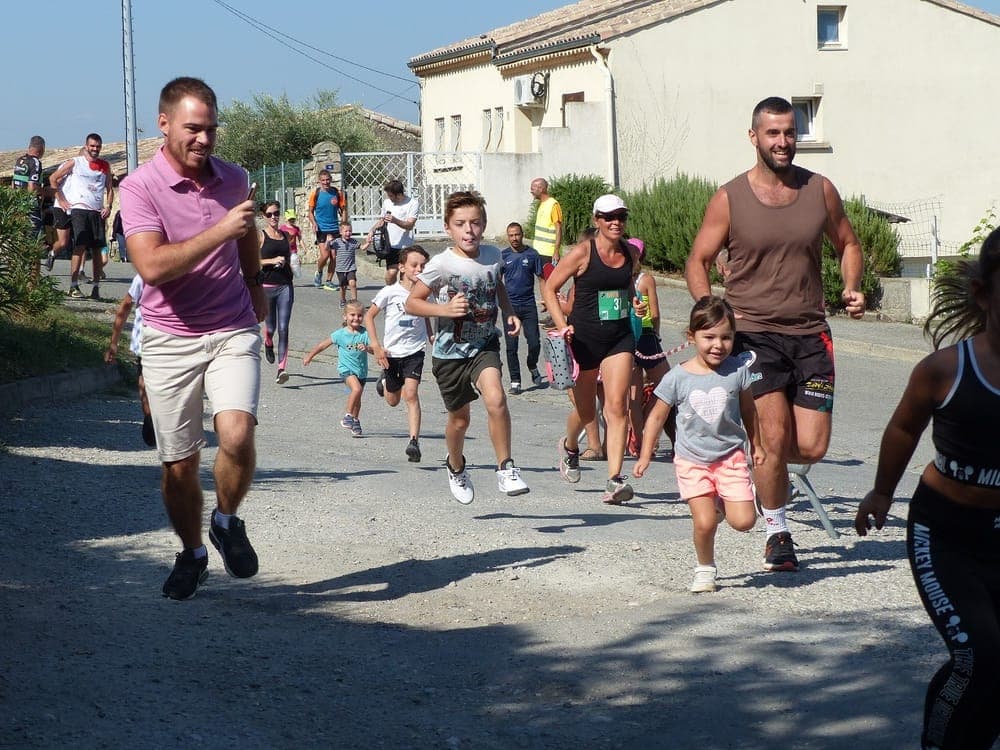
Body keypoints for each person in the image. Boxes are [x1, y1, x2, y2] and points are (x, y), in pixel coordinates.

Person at [685, 95, 865, 572]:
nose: (783, 142)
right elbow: (698, 259)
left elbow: (848, 242)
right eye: (773, 133)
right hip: (753, 335)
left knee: (812, 445)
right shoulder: (730, 197)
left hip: (810, 334)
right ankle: (778, 530)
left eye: (790, 132)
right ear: (754, 137)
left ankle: (751, 458)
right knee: (774, 432)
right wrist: (709, 313)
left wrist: (851, 286)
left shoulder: (820, 189)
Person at [120, 76, 267, 601]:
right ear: (163, 125)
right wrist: (220, 233)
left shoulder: (234, 178)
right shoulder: (138, 188)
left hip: (231, 327)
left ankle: (226, 522)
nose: (204, 140)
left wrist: (254, 283)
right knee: (179, 465)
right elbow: (153, 267)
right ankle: (193, 552)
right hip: (169, 337)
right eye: (192, 129)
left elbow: (245, 230)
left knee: (235, 435)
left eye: (210, 129)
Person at [855, 230, 1000, 750]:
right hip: (944, 534)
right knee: (979, 657)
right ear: (984, 295)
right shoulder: (945, 369)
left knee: (992, 668)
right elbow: (902, 429)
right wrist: (880, 493)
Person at [405, 190, 529, 504]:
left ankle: (506, 468)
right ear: (449, 228)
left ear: (484, 224)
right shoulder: (441, 264)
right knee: (460, 420)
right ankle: (456, 465)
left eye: (474, 223)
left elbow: (497, 282)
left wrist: (510, 311)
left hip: (484, 344)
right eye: (460, 224)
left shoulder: (494, 255)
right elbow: (412, 303)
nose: (468, 230)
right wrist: (444, 310)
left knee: (496, 398)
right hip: (449, 354)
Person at [634, 296, 764, 593]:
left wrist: (757, 445)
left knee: (744, 522)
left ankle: (723, 503)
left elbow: (749, 412)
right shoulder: (677, 377)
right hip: (693, 461)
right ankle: (705, 569)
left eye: (726, 337)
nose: (718, 345)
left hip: (730, 457)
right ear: (691, 337)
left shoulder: (737, 372)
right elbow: (655, 418)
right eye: (709, 337)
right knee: (704, 523)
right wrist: (645, 453)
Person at [542, 194, 646, 505]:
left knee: (616, 408)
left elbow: (626, 286)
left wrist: (634, 303)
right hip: (584, 339)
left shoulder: (629, 253)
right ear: (597, 220)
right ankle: (571, 445)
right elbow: (550, 287)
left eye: (621, 217)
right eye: (608, 217)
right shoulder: (583, 253)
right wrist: (562, 325)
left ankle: (614, 480)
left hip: (619, 338)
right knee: (587, 411)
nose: (616, 222)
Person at [364, 245, 434, 463]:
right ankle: (385, 382)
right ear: (402, 267)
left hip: (415, 351)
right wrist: (375, 345)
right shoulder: (390, 292)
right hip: (392, 353)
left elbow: (426, 316)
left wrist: (431, 336)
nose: (419, 269)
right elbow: (369, 317)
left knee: (411, 394)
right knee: (392, 400)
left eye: (423, 265)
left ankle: (414, 441)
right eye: (414, 265)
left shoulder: (425, 293)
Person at [49, 134, 114, 299]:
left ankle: (96, 288)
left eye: (98, 146)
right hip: (79, 209)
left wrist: (108, 206)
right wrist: (61, 200)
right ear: (86, 146)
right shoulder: (75, 162)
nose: (95, 149)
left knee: (98, 249)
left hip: (97, 212)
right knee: (80, 246)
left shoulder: (105, 165)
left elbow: (110, 189)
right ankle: (73, 286)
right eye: (92, 146)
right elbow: (53, 178)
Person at [628, 237, 675, 458]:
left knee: (634, 394)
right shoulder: (645, 279)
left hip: (626, 337)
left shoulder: (620, 277)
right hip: (646, 336)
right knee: (668, 383)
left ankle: (637, 442)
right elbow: (654, 313)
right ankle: (648, 425)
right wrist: (655, 333)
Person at [303, 300, 372, 438]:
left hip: (361, 371)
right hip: (346, 370)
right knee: (356, 389)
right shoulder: (340, 334)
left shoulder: (365, 334)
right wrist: (310, 356)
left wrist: (368, 348)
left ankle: (356, 421)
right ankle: (347, 416)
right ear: (345, 316)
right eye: (352, 315)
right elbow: (323, 345)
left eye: (359, 315)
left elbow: (376, 350)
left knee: (357, 398)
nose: (356, 318)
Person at [104, 274, 155, 447]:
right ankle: (152, 420)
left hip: (151, 342)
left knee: (144, 384)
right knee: (145, 384)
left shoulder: (144, 275)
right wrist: (113, 343)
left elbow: (125, 306)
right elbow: (125, 306)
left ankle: (153, 419)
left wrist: (114, 343)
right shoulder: (142, 277)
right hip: (152, 343)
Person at [501, 221, 546, 394]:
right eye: (511, 235)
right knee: (511, 346)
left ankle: (532, 364)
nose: (514, 238)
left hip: (528, 306)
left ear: (522, 234)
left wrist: (546, 299)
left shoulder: (532, 254)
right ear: (508, 237)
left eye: (517, 234)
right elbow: (497, 281)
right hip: (510, 308)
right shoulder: (503, 256)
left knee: (534, 342)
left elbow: (542, 279)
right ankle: (515, 381)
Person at [258, 200, 295, 385]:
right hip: (267, 287)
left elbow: (290, 257)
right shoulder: (261, 236)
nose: (274, 217)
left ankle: (282, 368)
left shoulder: (286, 236)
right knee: (271, 328)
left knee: (284, 327)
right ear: (263, 217)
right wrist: (272, 260)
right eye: (270, 214)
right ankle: (268, 342)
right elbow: (253, 262)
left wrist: (290, 263)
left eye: (276, 213)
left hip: (285, 285)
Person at [369, 179, 418, 286]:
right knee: (391, 273)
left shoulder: (412, 203)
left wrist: (395, 220)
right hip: (391, 245)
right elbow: (382, 220)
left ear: (399, 194)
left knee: (404, 275)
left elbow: (410, 225)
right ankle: (391, 293)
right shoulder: (387, 203)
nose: (389, 198)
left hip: (406, 246)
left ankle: (404, 299)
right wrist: (372, 231)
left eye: (391, 195)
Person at [12, 135, 49, 270]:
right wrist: (46, 192)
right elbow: (32, 187)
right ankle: (34, 282)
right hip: (30, 208)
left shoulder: (19, 160)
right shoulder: (36, 162)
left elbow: (13, 184)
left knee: (20, 242)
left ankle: (18, 273)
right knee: (35, 245)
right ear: (41, 149)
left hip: (17, 206)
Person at [309, 169, 346, 289]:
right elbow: (310, 212)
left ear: (331, 179)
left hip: (335, 228)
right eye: (323, 180)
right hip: (322, 228)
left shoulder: (336, 193)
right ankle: (319, 271)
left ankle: (328, 281)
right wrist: (314, 223)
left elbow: (343, 209)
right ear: (319, 181)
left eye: (328, 180)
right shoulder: (316, 193)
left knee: (334, 257)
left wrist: (344, 224)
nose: (326, 182)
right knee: (325, 256)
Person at [328, 221, 369, 307]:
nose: (348, 233)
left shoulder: (353, 242)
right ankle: (342, 300)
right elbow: (327, 247)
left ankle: (354, 301)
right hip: (340, 268)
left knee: (352, 283)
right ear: (340, 232)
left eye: (350, 231)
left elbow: (362, 248)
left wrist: (368, 242)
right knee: (343, 286)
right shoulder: (336, 242)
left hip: (351, 267)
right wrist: (327, 241)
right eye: (346, 231)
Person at [529, 178, 563, 263]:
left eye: (533, 189)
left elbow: (558, 229)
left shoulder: (553, 204)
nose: (531, 192)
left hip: (549, 253)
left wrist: (556, 251)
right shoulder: (542, 204)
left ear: (541, 189)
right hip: (539, 251)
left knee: (549, 276)